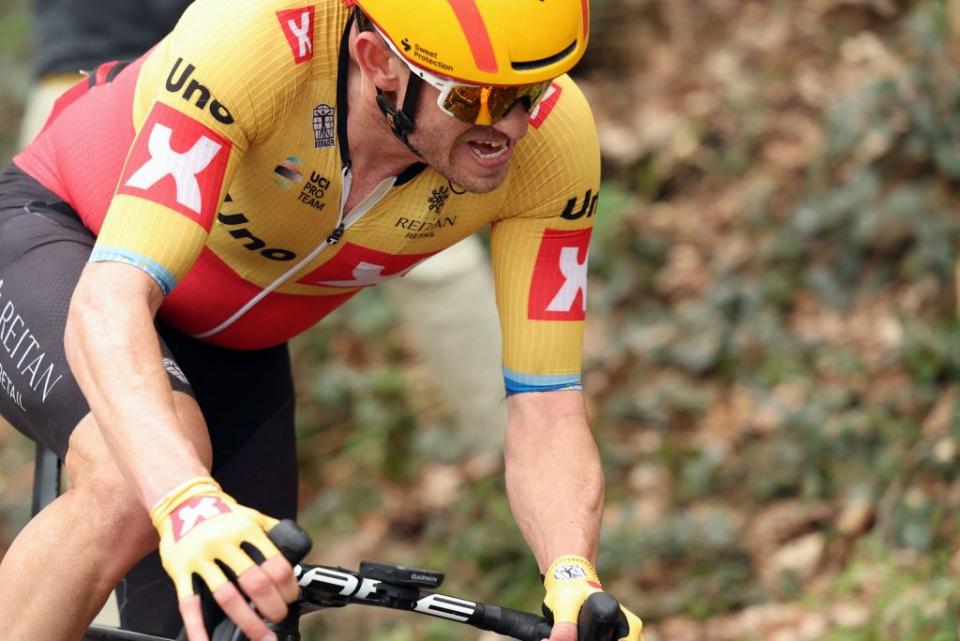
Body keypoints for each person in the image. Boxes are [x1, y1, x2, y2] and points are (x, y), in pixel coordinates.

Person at [0, 1, 642, 641]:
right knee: (131, 490)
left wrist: (571, 572)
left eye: (530, 92)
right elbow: (110, 300)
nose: (512, 127)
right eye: (474, 100)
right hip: (65, 242)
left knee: (252, 613)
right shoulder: (255, 41)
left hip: (234, 347)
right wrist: (184, 499)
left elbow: (548, 403)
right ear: (379, 62)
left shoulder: (554, 150)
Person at [20, 0, 505, 461]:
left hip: (270, 59)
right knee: (99, 448)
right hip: (104, 64)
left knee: (433, 260)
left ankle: (506, 459)